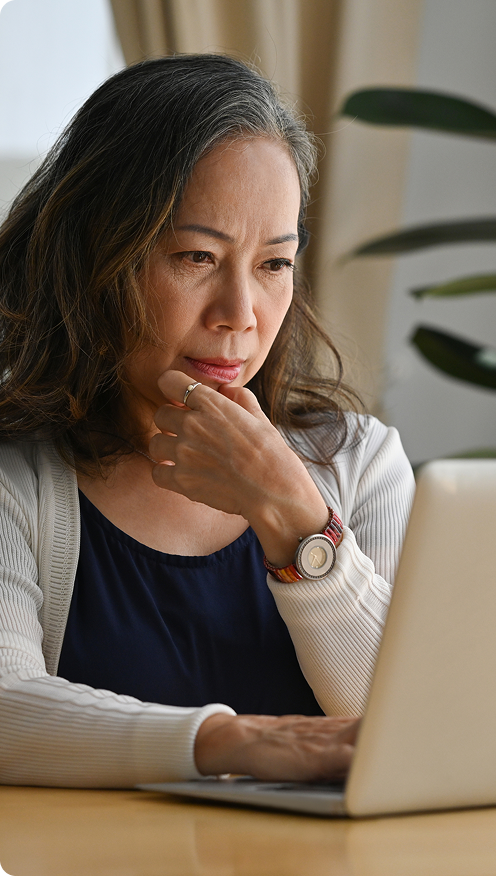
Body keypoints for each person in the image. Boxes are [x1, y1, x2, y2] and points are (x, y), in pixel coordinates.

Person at [0, 54, 414, 788]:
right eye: (197, 256)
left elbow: (412, 720)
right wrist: (230, 742)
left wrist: (293, 515)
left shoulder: (360, 461)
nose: (241, 316)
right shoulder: (16, 475)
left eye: (274, 265)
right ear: (97, 256)